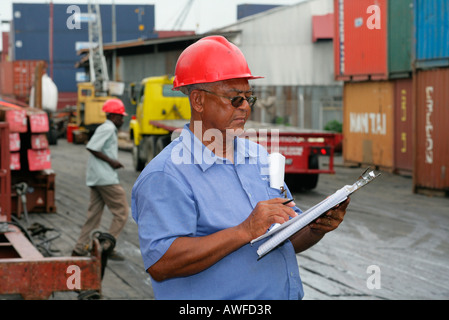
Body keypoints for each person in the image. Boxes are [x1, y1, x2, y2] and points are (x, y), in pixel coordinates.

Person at [131, 36, 350, 299]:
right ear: (198, 100)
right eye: (235, 99)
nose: (245, 108)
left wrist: (315, 227)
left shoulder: (258, 158)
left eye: (249, 98)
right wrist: (244, 231)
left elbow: (285, 239)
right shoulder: (167, 175)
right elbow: (161, 263)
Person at [72, 98, 129, 261]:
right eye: (120, 116)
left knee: (93, 216)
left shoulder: (107, 128)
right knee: (122, 212)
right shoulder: (108, 128)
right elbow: (92, 146)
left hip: (96, 178)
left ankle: (79, 249)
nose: (122, 120)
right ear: (113, 116)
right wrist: (112, 162)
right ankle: (107, 247)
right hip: (106, 179)